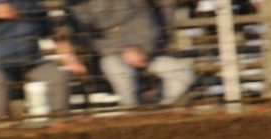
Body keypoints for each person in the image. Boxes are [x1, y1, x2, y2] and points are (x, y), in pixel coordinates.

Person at [0, 0, 85, 119]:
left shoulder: (31, 3)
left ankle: (60, 124)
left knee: (58, 77)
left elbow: (56, 33)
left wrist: (71, 60)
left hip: (30, 62)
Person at [66, 0, 194, 107]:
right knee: (120, 73)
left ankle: (160, 109)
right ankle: (131, 115)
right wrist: (121, 51)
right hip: (107, 57)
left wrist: (142, 49)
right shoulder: (80, 5)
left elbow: (149, 23)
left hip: (145, 53)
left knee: (182, 73)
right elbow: (85, 39)